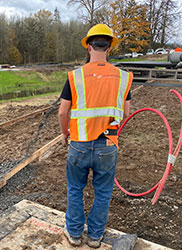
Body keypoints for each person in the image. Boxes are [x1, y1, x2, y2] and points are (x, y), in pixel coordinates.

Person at [58, 23, 133, 248]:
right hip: (108, 144)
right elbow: (126, 113)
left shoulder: (75, 76)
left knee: (75, 188)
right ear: (109, 47)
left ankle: (73, 233)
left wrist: (65, 134)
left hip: (79, 143)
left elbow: (63, 111)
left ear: (88, 46)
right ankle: (95, 237)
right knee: (102, 192)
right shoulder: (123, 77)